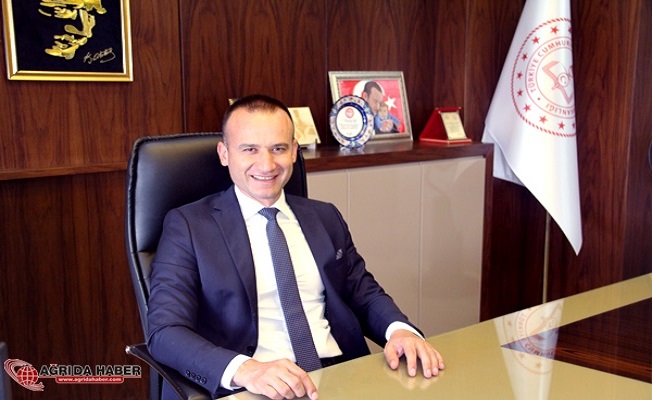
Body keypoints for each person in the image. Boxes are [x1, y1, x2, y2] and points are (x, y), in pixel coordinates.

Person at [147, 94, 445, 400]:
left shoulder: (324, 216)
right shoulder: (188, 226)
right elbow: (166, 331)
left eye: (278, 148)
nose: (267, 165)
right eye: (250, 149)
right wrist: (246, 370)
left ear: (293, 151)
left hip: (340, 376)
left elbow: (363, 292)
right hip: (255, 385)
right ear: (224, 154)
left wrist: (400, 331)